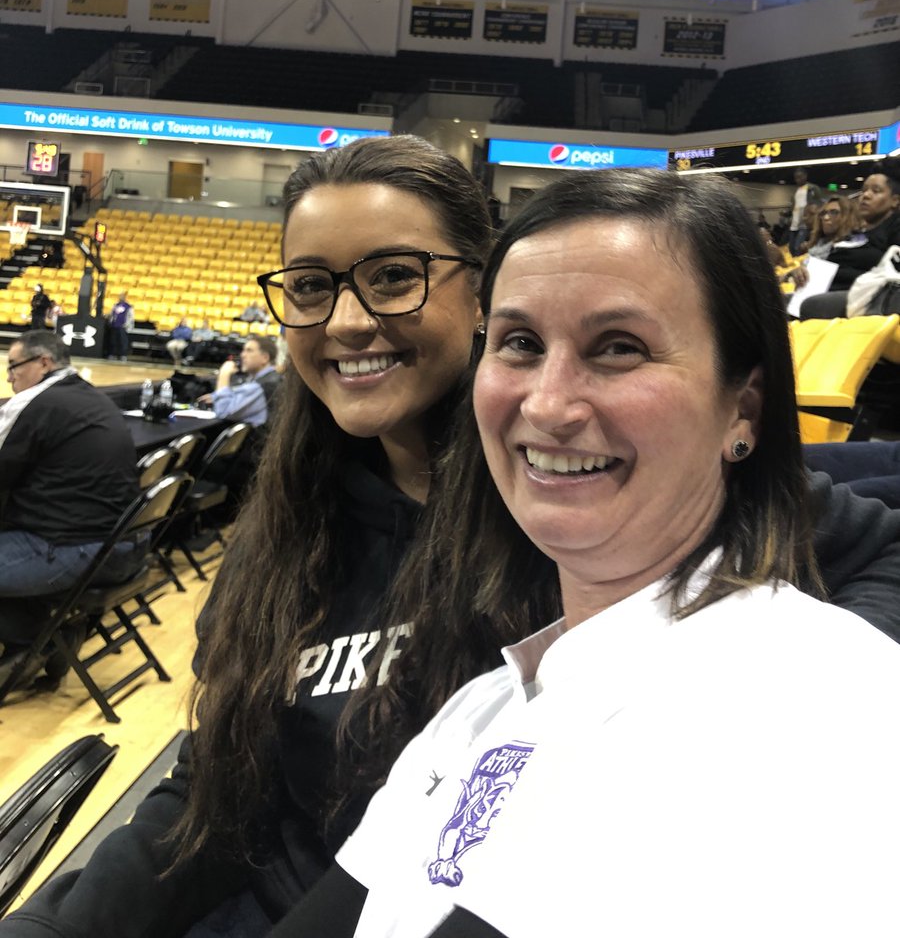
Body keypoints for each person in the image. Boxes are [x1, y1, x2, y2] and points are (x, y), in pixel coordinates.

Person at [6, 148, 900, 938]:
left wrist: (765, 712)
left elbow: (865, 569)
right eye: (311, 287)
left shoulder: (601, 502)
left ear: (480, 291)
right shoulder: (293, 536)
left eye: (392, 276)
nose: (347, 320)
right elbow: (218, 794)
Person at [273, 169, 900, 938]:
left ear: (744, 407)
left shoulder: (825, 700)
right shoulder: (482, 707)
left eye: (619, 348)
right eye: (521, 344)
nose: (547, 404)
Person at [0, 331, 140, 651]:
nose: (9, 378)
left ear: (43, 363)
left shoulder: (32, 401)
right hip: (120, 546)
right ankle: (46, 635)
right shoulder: (92, 397)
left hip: (75, 551)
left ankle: (42, 640)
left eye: (13, 367)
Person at [800, 166, 900, 318]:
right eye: (864, 190)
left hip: (872, 296)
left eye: (876, 190)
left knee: (811, 305)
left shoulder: (895, 229)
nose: (865, 195)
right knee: (775, 299)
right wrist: (803, 271)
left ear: (895, 201)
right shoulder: (856, 234)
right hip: (828, 287)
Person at [197, 336, 281, 426]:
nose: (243, 355)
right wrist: (216, 397)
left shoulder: (261, 386)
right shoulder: (269, 378)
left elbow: (223, 411)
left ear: (265, 358)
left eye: (249, 350)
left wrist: (224, 374)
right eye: (243, 350)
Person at [788, 166, 823, 254]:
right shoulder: (795, 191)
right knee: (791, 247)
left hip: (805, 223)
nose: (798, 179)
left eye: (800, 177)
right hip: (794, 223)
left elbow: (819, 203)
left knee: (798, 247)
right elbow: (794, 206)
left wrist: (813, 215)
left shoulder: (812, 188)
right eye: (796, 177)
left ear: (805, 176)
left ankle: (800, 266)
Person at [107, 291, 134, 361]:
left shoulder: (128, 306)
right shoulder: (115, 305)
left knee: (123, 341)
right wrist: (111, 321)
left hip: (123, 326)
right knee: (113, 341)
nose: (120, 297)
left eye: (122, 296)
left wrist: (127, 325)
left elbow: (131, 317)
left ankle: (123, 355)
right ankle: (112, 354)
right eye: (120, 296)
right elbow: (112, 314)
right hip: (114, 325)